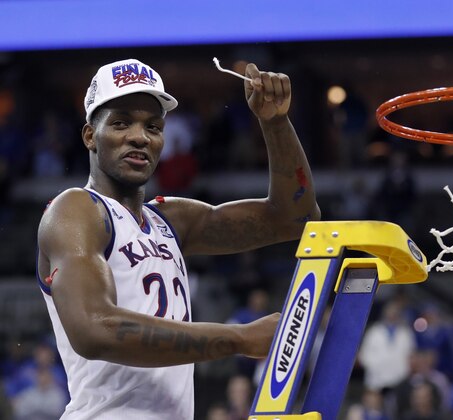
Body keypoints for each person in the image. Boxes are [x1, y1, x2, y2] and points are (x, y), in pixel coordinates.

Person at [36, 58, 320, 419]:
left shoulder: (170, 219)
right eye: (122, 122)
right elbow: (94, 329)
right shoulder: (75, 210)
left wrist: (275, 122)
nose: (140, 136)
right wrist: (239, 338)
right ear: (91, 135)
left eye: (153, 126)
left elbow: (294, 218)